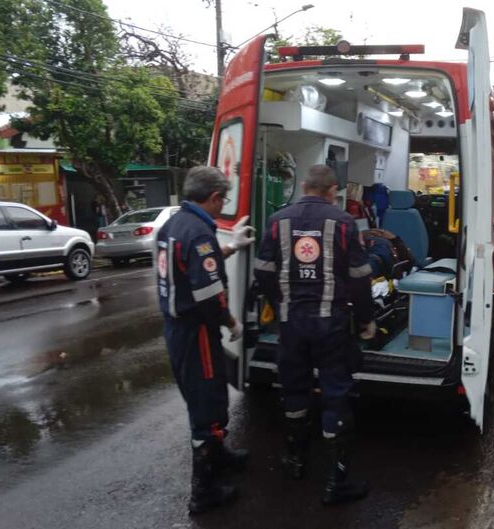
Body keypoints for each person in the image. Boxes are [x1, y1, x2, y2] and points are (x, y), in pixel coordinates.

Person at [254, 164, 376, 506]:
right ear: (331, 190)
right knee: (336, 393)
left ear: (305, 186)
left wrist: (279, 302)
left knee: (293, 389)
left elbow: (262, 270)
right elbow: (359, 277)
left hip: (291, 323)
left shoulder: (278, 220)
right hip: (331, 323)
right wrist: (366, 320)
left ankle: (295, 461)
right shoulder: (343, 222)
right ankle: (337, 481)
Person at [156, 166, 256, 514]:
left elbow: (193, 266)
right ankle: (203, 491)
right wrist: (231, 323)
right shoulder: (198, 232)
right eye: (223, 200)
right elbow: (209, 293)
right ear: (213, 198)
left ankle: (219, 455)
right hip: (196, 331)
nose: (223, 205)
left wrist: (230, 248)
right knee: (209, 405)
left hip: (177, 329)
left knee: (199, 397)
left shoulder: (172, 225)